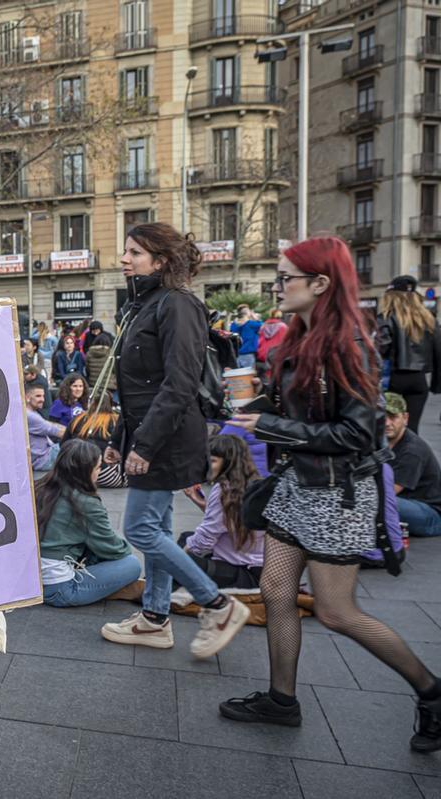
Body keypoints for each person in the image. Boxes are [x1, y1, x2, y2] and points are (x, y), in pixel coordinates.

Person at [220, 236, 441, 751]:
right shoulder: (301, 337)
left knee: (337, 612)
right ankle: (281, 700)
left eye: (284, 279)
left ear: (320, 284)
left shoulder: (351, 346)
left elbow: (360, 435)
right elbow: (283, 405)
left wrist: (274, 428)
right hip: (299, 485)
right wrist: (230, 397)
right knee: (275, 591)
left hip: (337, 493)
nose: (277, 287)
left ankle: (431, 691)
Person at [100, 222, 250, 657]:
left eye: (134, 252)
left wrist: (143, 446)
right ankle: (154, 618)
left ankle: (216, 604)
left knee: (141, 530)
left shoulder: (178, 304)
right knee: (159, 526)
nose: (124, 259)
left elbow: (180, 382)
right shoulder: (146, 303)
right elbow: (136, 386)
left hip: (166, 438)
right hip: (152, 432)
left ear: (160, 260)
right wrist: (119, 437)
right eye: (125, 251)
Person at [37, 440, 143, 607]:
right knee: (132, 564)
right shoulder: (86, 503)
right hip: (59, 589)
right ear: (86, 471)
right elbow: (114, 550)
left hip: (30, 583)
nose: (100, 472)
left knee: (92, 547)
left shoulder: (40, 487)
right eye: (98, 467)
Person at [179, 435, 265, 590]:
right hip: (260, 571)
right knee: (186, 538)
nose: (206, 465)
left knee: (175, 555)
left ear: (228, 463)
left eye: (212, 461)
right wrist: (202, 504)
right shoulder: (254, 483)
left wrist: (177, 560)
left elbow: (206, 537)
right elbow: (231, 522)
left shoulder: (223, 490)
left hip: (244, 574)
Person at [378, 275, 441, 432]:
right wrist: (436, 384)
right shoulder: (429, 319)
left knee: (387, 430)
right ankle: (412, 456)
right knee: (411, 431)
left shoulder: (386, 318)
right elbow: (439, 352)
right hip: (419, 381)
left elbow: (379, 350)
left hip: (392, 380)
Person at [385, 391, 441, 537]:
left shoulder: (412, 450)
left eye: (393, 417)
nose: (387, 423)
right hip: (409, 503)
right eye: (382, 417)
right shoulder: (381, 441)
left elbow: (389, 492)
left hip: (431, 515)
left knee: (380, 501)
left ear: (405, 418)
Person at [64, 395, 126, 489]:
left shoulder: (77, 419)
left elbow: (64, 444)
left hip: (73, 473)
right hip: (104, 474)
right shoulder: (116, 421)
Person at [27, 384, 65, 478]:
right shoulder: (30, 416)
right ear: (27, 398)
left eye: (43, 396)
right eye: (38, 396)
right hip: (43, 459)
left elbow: (48, 424)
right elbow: (60, 432)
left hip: (45, 453)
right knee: (78, 450)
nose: (43, 399)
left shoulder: (32, 412)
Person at [230, 304, 263, 369]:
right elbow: (264, 327)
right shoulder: (251, 324)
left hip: (237, 355)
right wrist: (256, 318)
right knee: (247, 377)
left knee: (238, 377)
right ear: (248, 313)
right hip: (249, 354)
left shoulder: (234, 324)